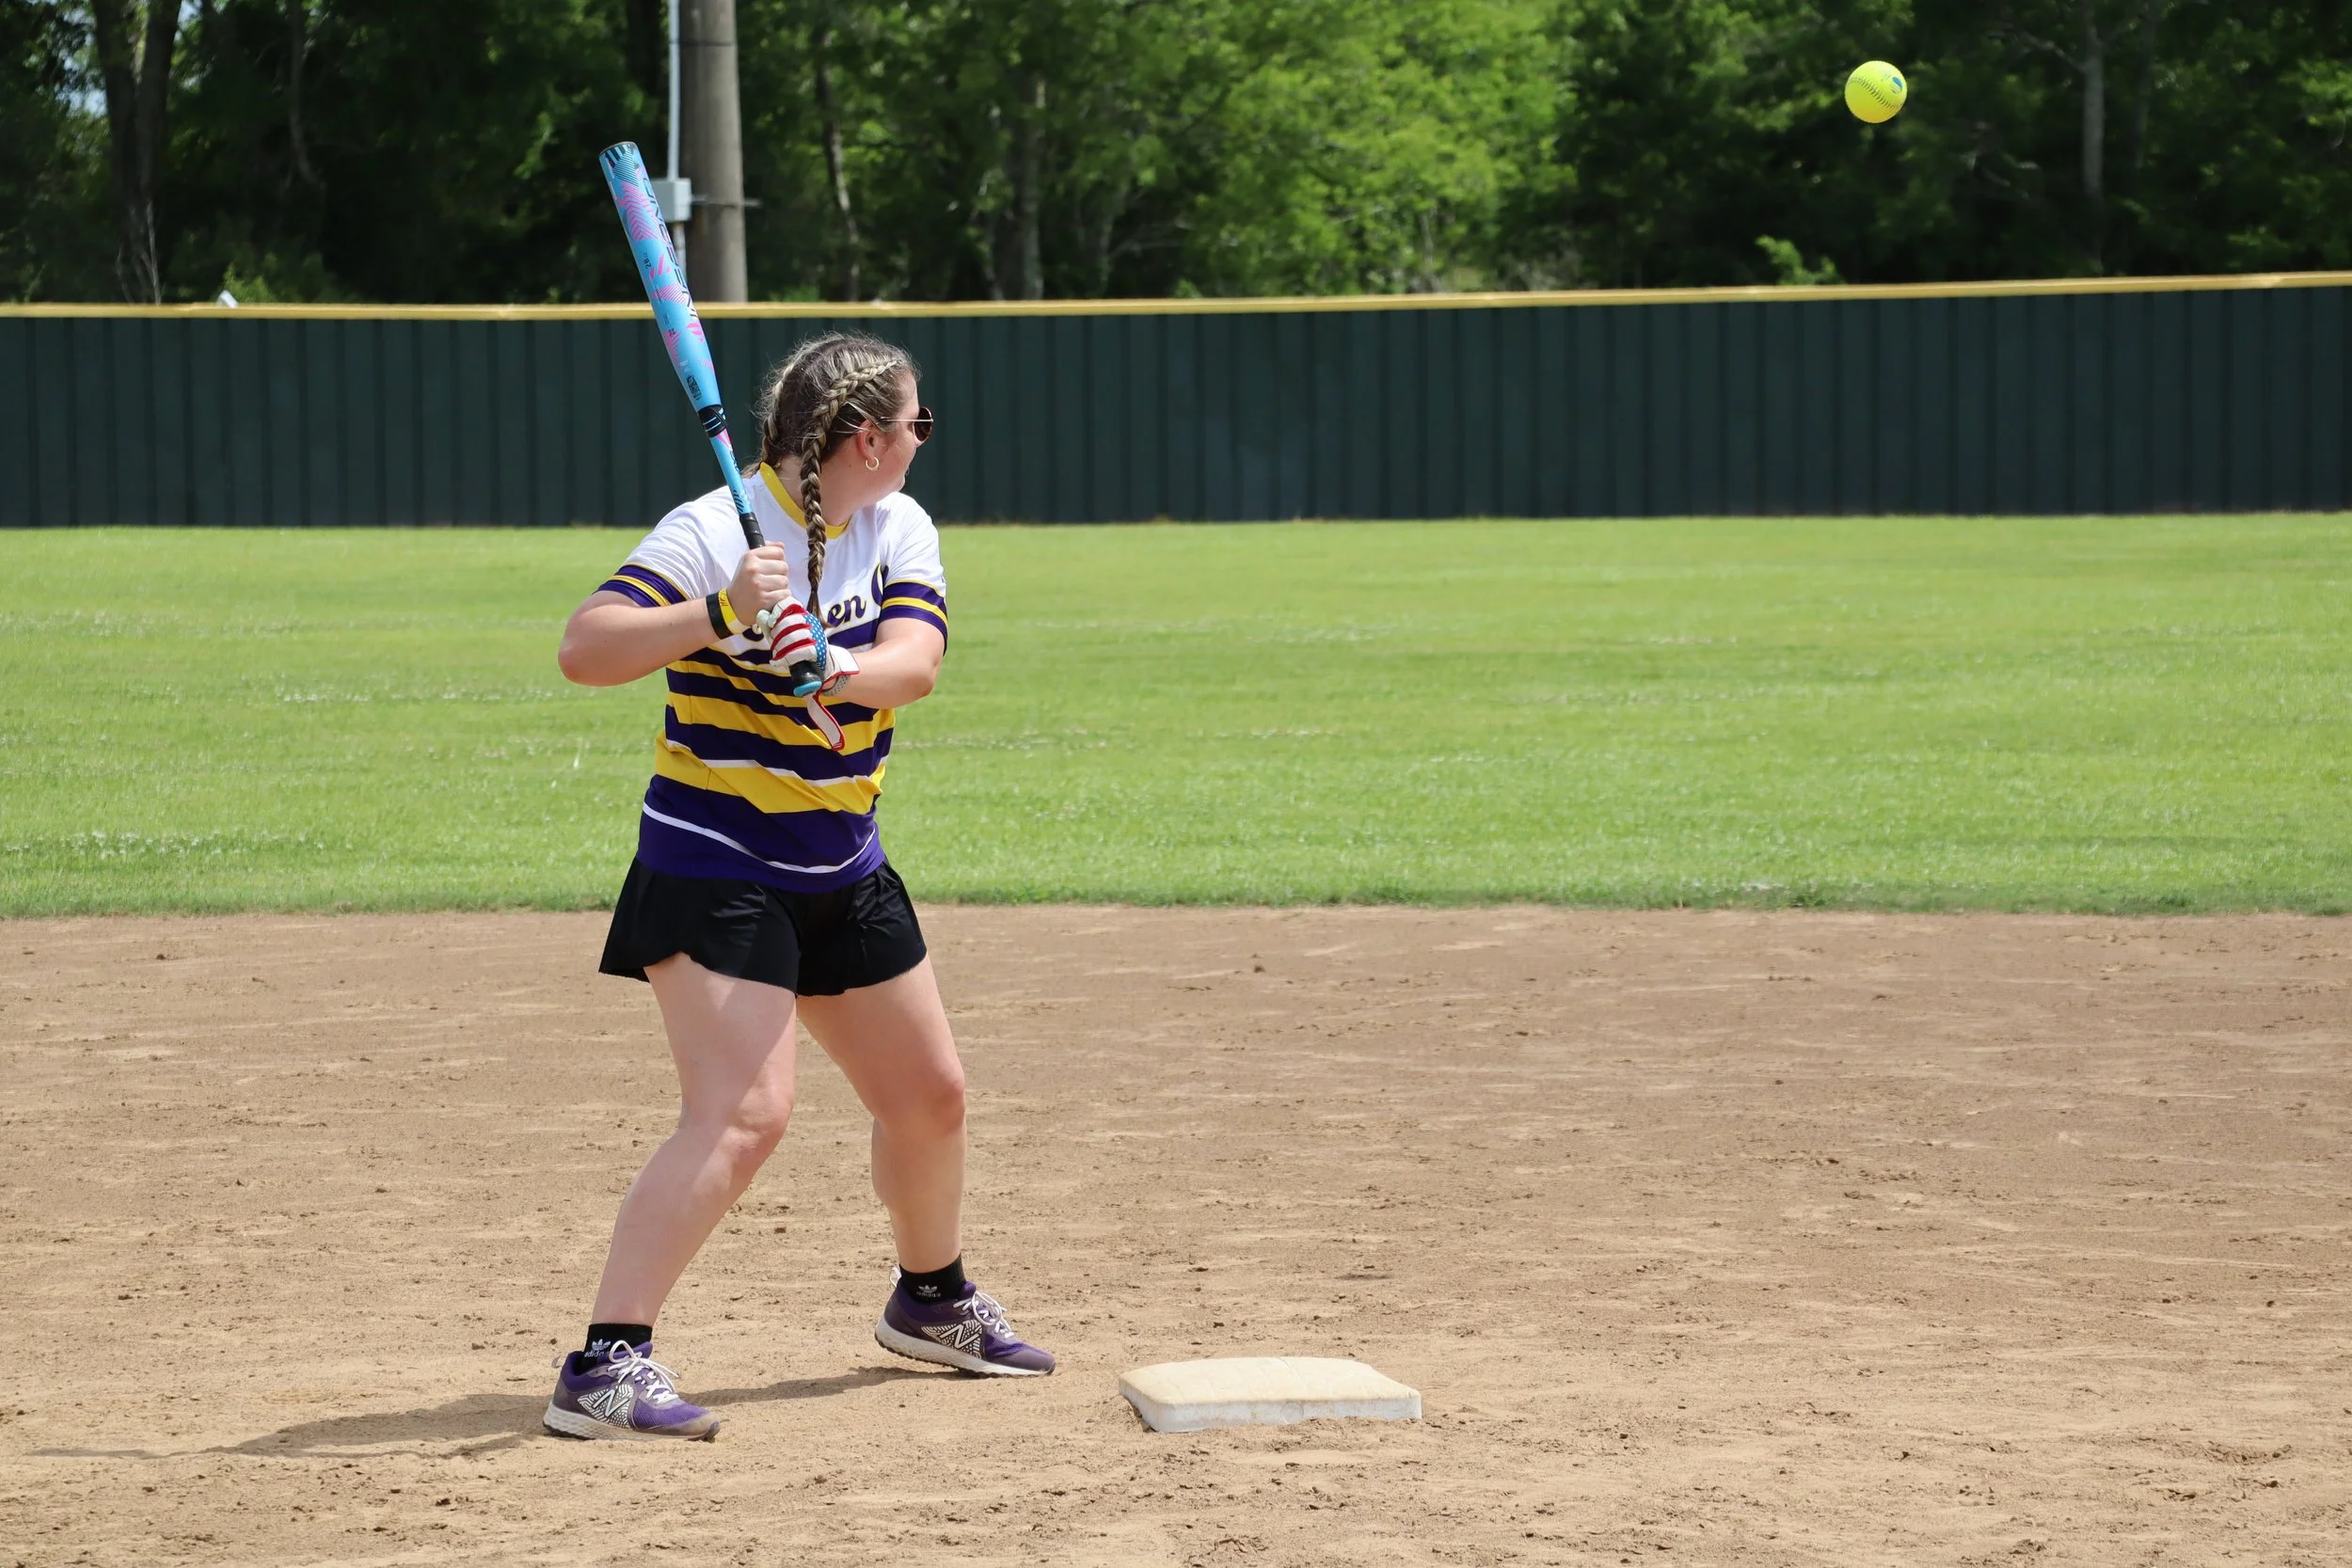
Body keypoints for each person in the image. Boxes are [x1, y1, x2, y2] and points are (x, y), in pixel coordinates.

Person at [541, 332, 1053, 1443]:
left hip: (839, 859)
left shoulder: (896, 523)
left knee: (930, 1096)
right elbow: (587, 647)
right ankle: (604, 1360)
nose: (924, 440)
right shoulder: (713, 530)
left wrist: (835, 666)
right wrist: (717, 614)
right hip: (715, 863)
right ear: (867, 437)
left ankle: (931, 1298)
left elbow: (912, 664)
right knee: (745, 1113)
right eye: (918, 423)